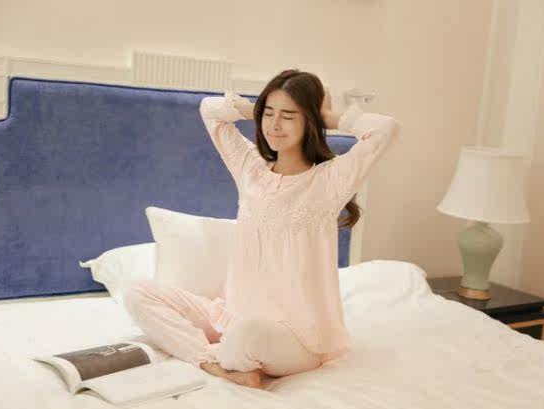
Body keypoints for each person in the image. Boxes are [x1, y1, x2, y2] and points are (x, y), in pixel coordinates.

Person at [123, 69, 402, 389]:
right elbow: (210, 111)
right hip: (231, 316)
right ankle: (211, 362)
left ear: (310, 121)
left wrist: (327, 115)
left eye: (288, 116)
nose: (274, 125)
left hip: (297, 338)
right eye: (269, 114)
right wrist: (254, 109)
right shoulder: (251, 168)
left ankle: (227, 355)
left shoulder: (329, 181)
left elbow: (386, 129)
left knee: (247, 335)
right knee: (138, 293)